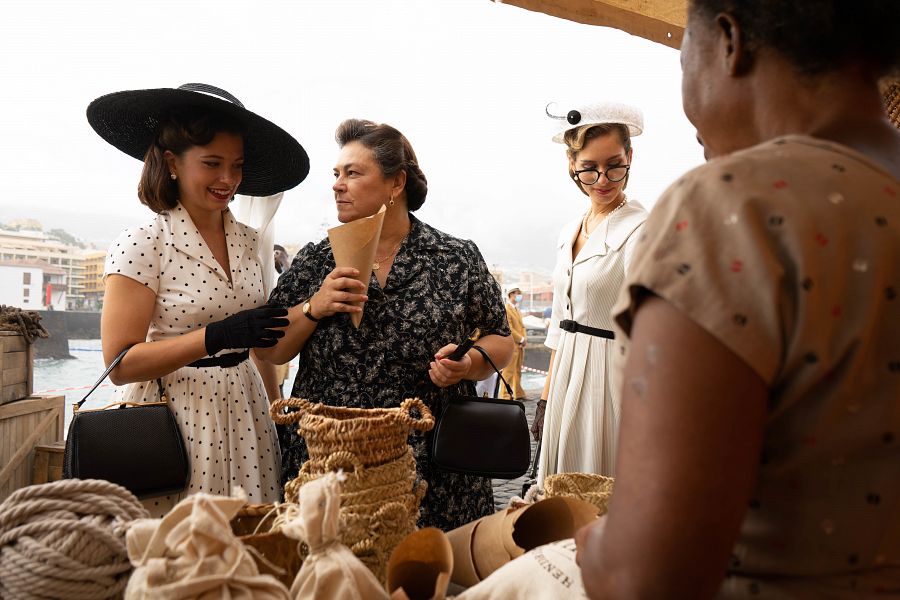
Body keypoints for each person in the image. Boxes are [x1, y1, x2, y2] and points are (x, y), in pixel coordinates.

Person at [574, 1, 900, 597]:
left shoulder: (733, 208)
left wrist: (581, 546)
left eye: (681, 58)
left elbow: (644, 579)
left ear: (729, 42)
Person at [258, 119, 514, 531]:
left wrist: (467, 366)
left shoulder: (455, 257)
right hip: (332, 460)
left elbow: (501, 339)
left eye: (353, 173)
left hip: (433, 465)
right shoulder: (314, 260)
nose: (337, 185)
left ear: (396, 184)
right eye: (336, 174)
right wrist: (314, 307)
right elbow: (269, 350)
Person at [93, 83, 309, 516]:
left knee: (251, 548)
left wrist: (275, 409)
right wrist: (213, 338)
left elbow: (261, 346)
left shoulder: (249, 243)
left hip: (248, 412)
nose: (228, 180)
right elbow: (119, 365)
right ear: (172, 162)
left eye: (237, 166)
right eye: (212, 164)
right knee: (182, 555)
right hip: (175, 416)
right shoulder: (144, 243)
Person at [534, 102, 648, 480]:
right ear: (572, 165)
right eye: (589, 168)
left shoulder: (643, 229)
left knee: (598, 487)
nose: (603, 179)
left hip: (610, 381)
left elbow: (650, 327)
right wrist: (546, 399)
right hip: (565, 371)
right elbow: (560, 327)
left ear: (630, 156)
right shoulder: (569, 232)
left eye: (615, 165)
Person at [499, 285, 527, 400]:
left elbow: (522, 326)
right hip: (512, 344)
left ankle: (518, 393)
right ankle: (505, 395)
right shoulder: (507, 309)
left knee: (517, 370)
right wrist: (521, 339)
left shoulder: (516, 309)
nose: (519, 295)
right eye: (517, 293)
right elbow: (509, 327)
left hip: (520, 345)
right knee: (508, 371)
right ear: (511, 294)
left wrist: (524, 339)